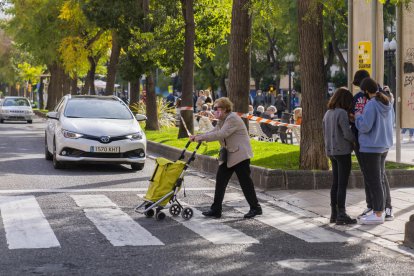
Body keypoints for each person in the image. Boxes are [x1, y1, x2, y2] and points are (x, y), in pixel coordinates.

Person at [189, 97, 262, 219]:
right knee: (220, 181)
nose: (215, 111)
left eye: (217, 108)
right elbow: (214, 131)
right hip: (230, 154)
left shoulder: (232, 118)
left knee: (245, 183)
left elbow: (221, 134)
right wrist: (199, 136)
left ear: (225, 109)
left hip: (240, 155)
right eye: (214, 108)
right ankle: (216, 209)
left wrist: (200, 138)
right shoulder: (222, 120)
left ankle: (256, 208)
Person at [355, 77, 395, 225]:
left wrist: (358, 116)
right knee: (379, 179)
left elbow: (365, 126)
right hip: (383, 145)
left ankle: (378, 213)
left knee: (374, 180)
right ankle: (381, 210)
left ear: (366, 91)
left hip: (371, 147)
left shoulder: (372, 105)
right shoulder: (388, 103)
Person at [323, 88, 357, 225]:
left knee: (335, 183)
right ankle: (342, 214)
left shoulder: (328, 113)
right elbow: (347, 134)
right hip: (342, 151)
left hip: (331, 151)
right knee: (342, 184)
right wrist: (355, 140)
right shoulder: (342, 113)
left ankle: (334, 214)